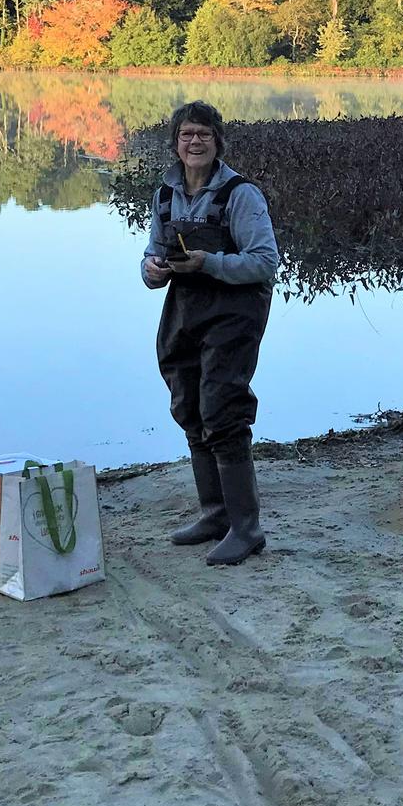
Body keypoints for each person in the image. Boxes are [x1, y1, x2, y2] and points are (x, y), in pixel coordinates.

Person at [140, 102, 280, 565]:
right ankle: (214, 513)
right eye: (186, 134)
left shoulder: (241, 195)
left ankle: (247, 528)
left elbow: (264, 262)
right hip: (184, 307)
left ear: (218, 141)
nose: (194, 142)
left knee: (223, 409)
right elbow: (147, 260)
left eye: (203, 134)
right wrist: (154, 270)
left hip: (235, 311)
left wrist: (210, 263)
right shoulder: (165, 194)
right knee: (188, 405)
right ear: (175, 143)